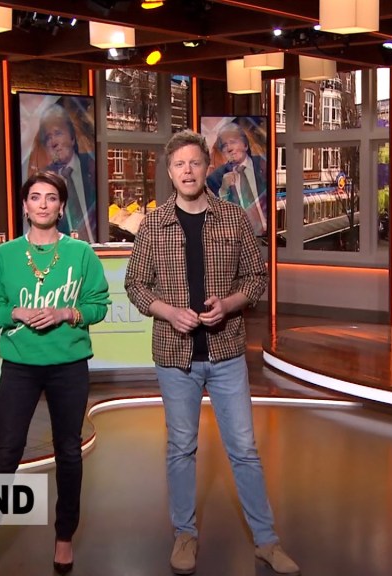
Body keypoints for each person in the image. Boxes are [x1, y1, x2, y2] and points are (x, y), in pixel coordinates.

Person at [125, 130, 299, 576]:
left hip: (226, 354)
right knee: (181, 447)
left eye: (195, 163)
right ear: (170, 172)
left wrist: (229, 304)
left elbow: (255, 279)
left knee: (244, 448)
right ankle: (184, 534)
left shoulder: (234, 218)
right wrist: (168, 312)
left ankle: (266, 541)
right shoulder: (153, 225)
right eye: (179, 164)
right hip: (175, 355)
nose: (187, 171)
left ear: (208, 168)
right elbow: (135, 285)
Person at [0, 171, 110, 576]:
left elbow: (99, 305)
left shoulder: (81, 254)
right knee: (6, 454)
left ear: (61, 206)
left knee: (69, 452)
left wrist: (66, 312)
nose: (43, 204)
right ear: (25, 205)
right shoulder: (5, 256)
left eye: (51, 197)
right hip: (20, 367)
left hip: (69, 365)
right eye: (35, 197)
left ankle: (64, 537)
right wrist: (15, 311)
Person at [37, 103, 96, 243]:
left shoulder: (92, 165)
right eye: (48, 138)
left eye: (58, 133)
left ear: (72, 138)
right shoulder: (44, 180)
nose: (53, 143)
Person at [205, 122, 267, 236]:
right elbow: (214, 217)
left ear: (245, 145)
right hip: (237, 238)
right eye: (224, 146)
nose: (229, 148)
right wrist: (224, 190)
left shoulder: (265, 164)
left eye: (233, 142)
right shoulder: (215, 179)